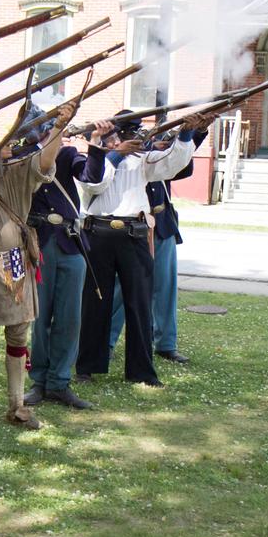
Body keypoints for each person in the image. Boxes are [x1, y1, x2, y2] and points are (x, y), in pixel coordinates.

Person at [0, 101, 77, 430]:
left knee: (17, 334)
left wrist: (58, 128)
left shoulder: (18, 172)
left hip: (14, 261)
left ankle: (17, 407)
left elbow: (44, 161)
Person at [73, 113, 199, 388]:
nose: (128, 139)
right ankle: (87, 366)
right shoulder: (92, 159)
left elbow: (171, 165)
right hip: (98, 233)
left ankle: (142, 370)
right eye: (122, 134)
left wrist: (187, 133)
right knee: (95, 304)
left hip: (135, 233)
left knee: (140, 305)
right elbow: (94, 182)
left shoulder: (142, 159)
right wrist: (115, 154)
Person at [24, 118, 114, 410]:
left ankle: (60, 382)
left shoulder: (66, 153)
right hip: (40, 242)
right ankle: (39, 380)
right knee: (41, 317)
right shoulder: (23, 155)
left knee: (70, 317)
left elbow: (90, 176)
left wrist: (97, 144)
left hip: (70, 241)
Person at [107, 144, 195, 363]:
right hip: (132, 226)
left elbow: (183, 166)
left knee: (165, 288)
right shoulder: (123, 156)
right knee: (120, 289)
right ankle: (106, 342)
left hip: (161, 223)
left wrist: (193, 134)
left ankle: (166, 344)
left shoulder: (163, 154)